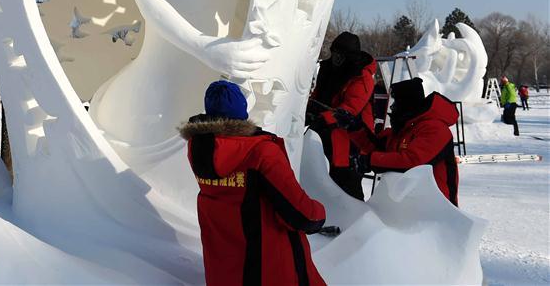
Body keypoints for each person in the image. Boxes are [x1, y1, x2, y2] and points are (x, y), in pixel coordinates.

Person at [180, 80, 326, 286]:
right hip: (266, 269)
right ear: (242, 110)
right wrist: (319, 213)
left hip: (224, 271)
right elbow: (301, 214)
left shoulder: (198, 149)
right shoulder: (261, 152)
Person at [347, 78, 459, 206]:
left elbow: (413, 162)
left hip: (437, 209)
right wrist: (355, 127)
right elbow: (375, 146)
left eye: (396, 102)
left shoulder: (435, 129)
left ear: (407, 104)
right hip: (406, 206)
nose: (392, 107)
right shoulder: (404, 129)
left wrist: (369, 160)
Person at [306, 31, 377, 200]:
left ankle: (359, 222)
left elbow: (350, 109)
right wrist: (307, 110)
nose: (336, 58)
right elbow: (317, 95)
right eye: (334, 54)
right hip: (325, 132)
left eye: (341, 55)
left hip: (352, 137)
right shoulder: (327, 69)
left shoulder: (361, 77)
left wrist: (322, 117)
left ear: (349, 57)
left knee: (347, 185)